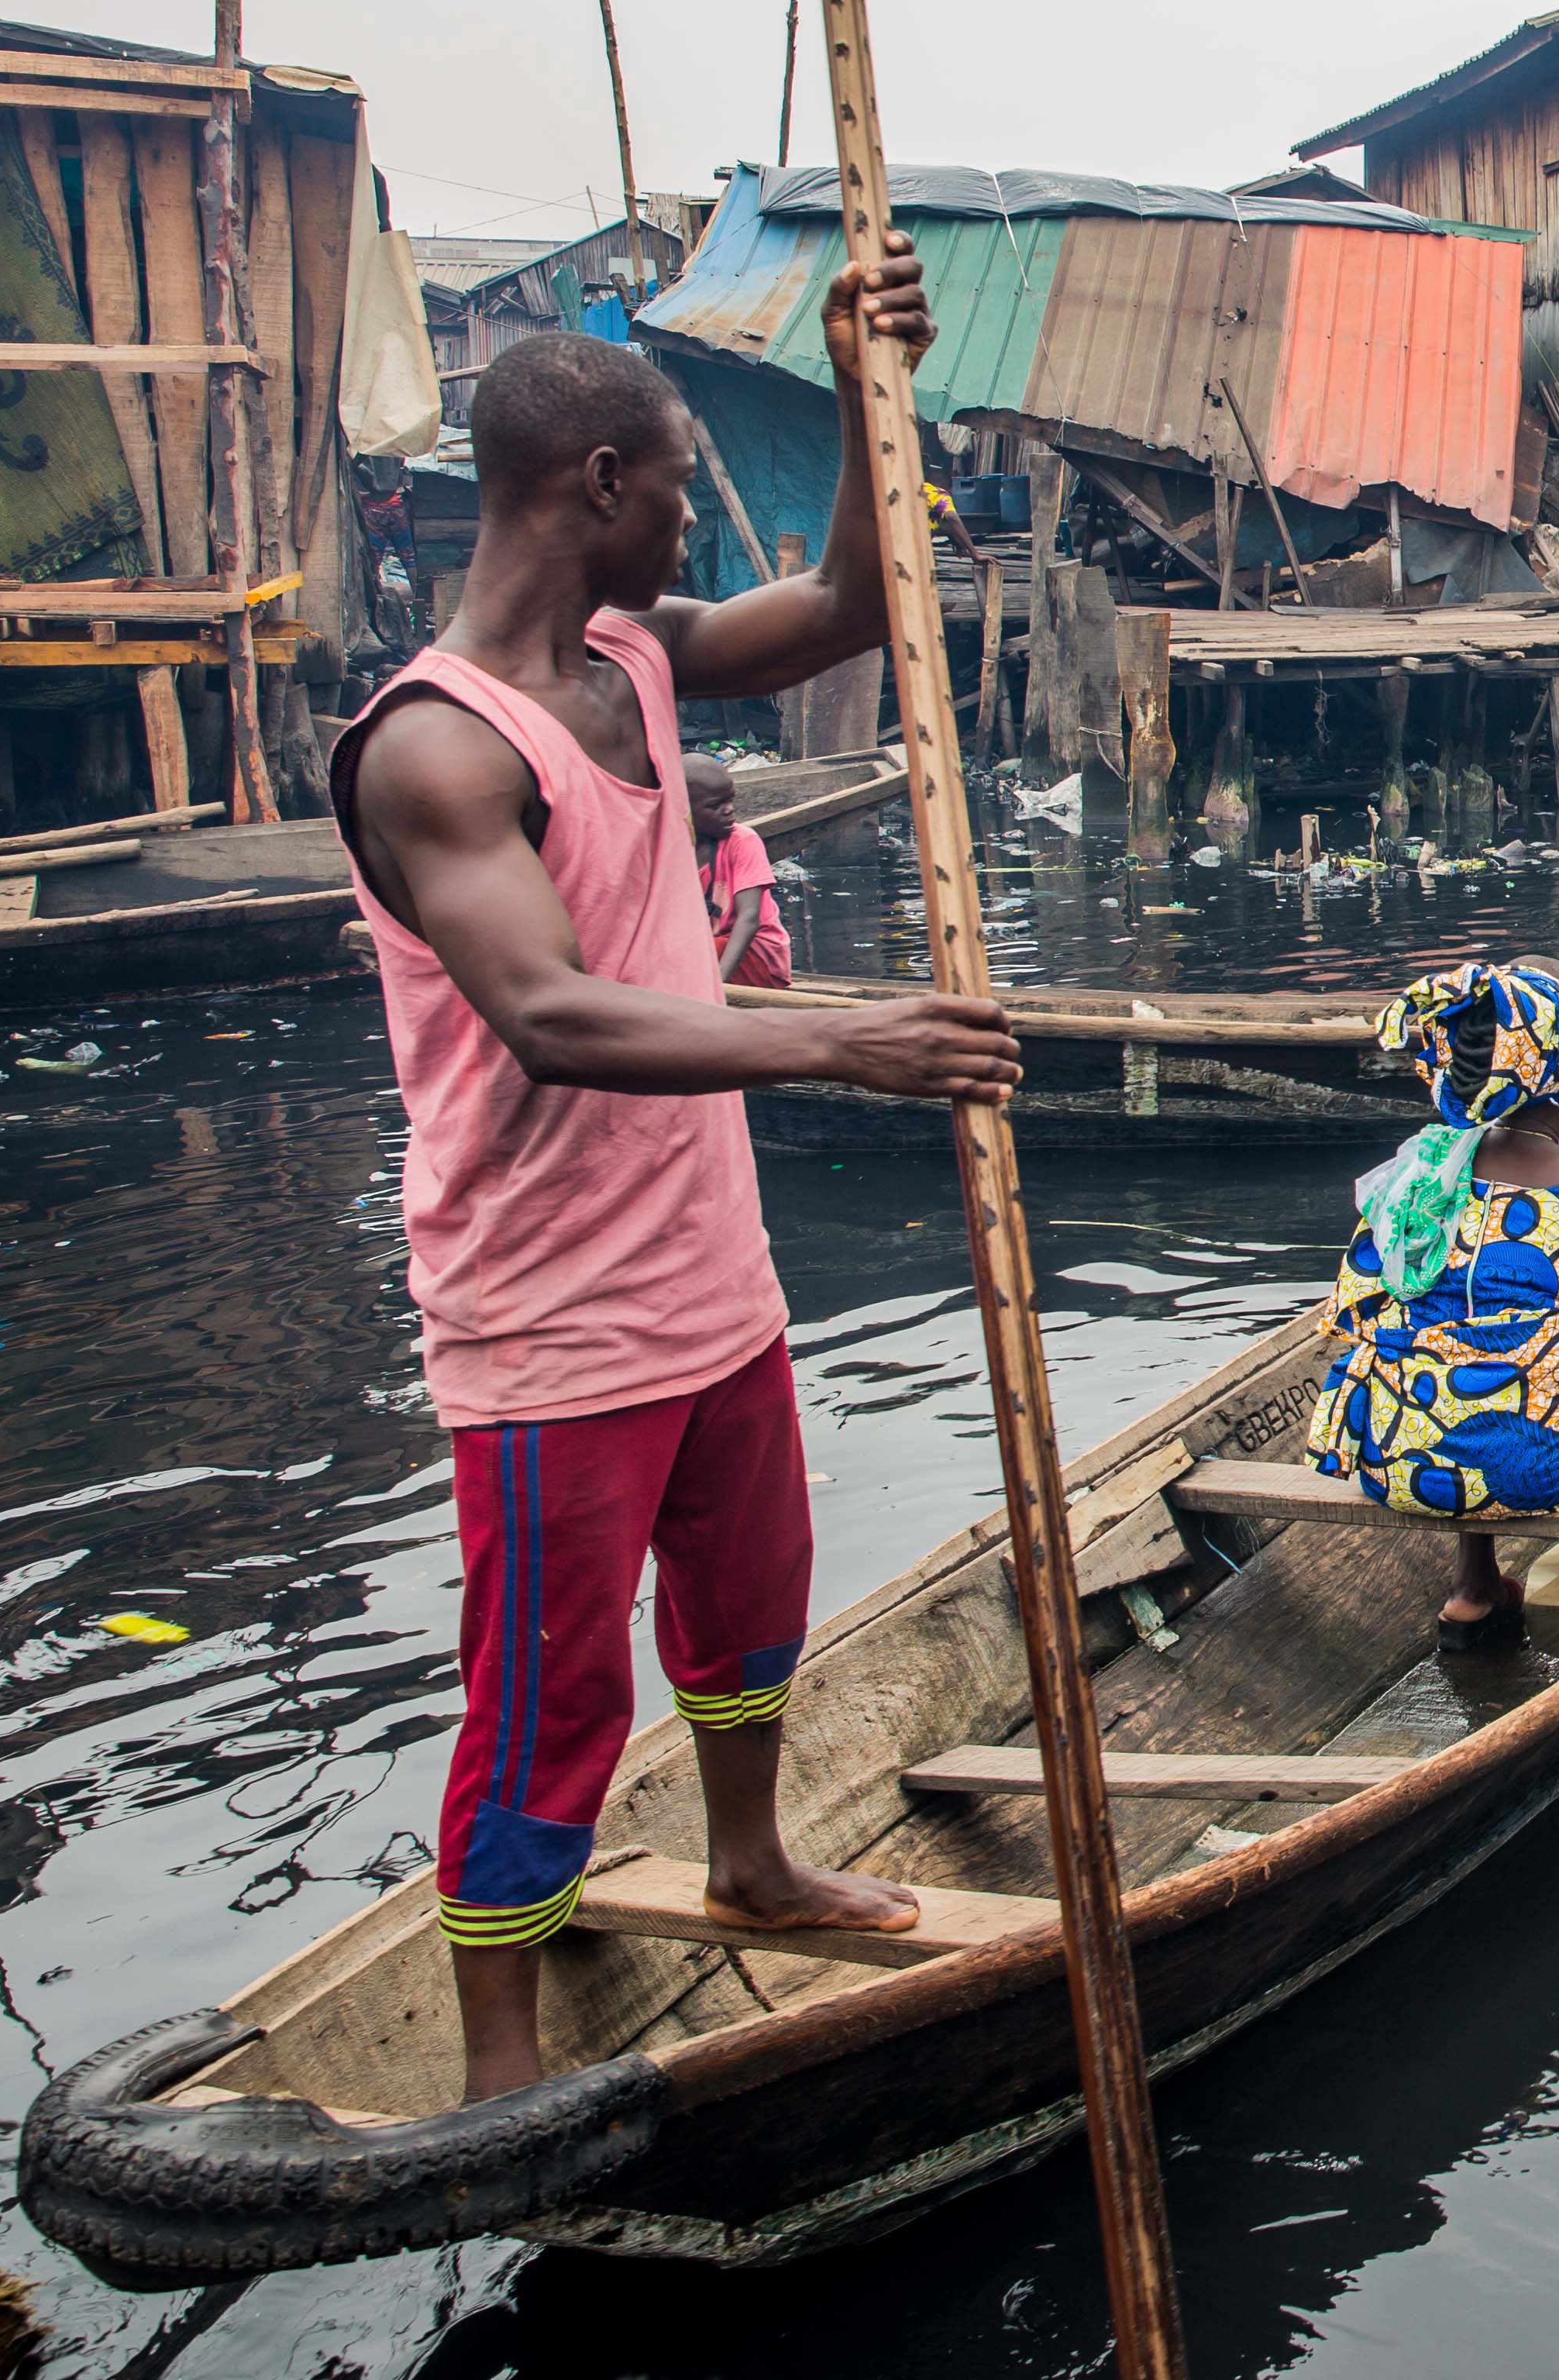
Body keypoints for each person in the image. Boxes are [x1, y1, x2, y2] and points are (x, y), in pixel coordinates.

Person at [334, 250, 1020, 2099]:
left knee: (750, 1603)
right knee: (548, 1702)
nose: (688, 512)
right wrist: (843, 1038)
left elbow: (845, 607)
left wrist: (868, 386)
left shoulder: (632, 654)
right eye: (676, 472)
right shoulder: (430, 742)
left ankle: (748, 1851)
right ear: (599, 488)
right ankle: (495, 2069)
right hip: (550, 1317)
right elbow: (552, 1010)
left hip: (712, 1278)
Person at [1313, 961, 1559, 1649]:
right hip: (1544, 1467)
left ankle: (1474, 1589)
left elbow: (1360, 1317)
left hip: (1398, 1458)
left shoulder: (1416, 1184)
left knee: (1459, 1353)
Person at [681, 755, 790, 990]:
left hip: (757, 956)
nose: (729, 811)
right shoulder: (671, 848)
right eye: (715, 806)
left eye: (730, 801)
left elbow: (749, 918)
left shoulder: (742, 841)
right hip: (705, 952)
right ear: (684, 809)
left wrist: (717, 985)